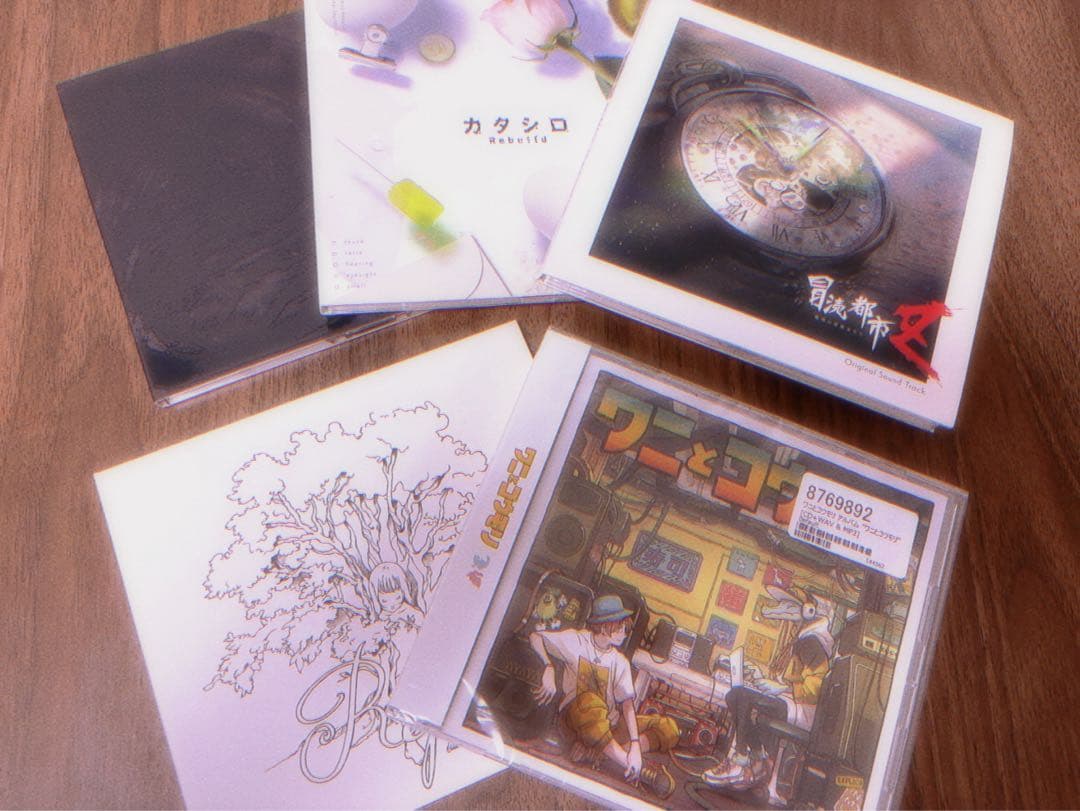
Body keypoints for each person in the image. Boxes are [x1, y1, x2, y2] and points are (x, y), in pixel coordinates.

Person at [529, 594, 678, 800]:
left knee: (668, 728)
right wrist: (548, 667)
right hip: (574, 723)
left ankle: (603, 755)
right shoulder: (576, 640)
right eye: (620, 627)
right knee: (589, 701)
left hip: (608, 727)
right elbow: (535, 636)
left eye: (625, 627)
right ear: (604, 626)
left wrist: (635, 745)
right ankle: (633, 767)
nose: (625, 632)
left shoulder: (620, 661)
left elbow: (627, 705)